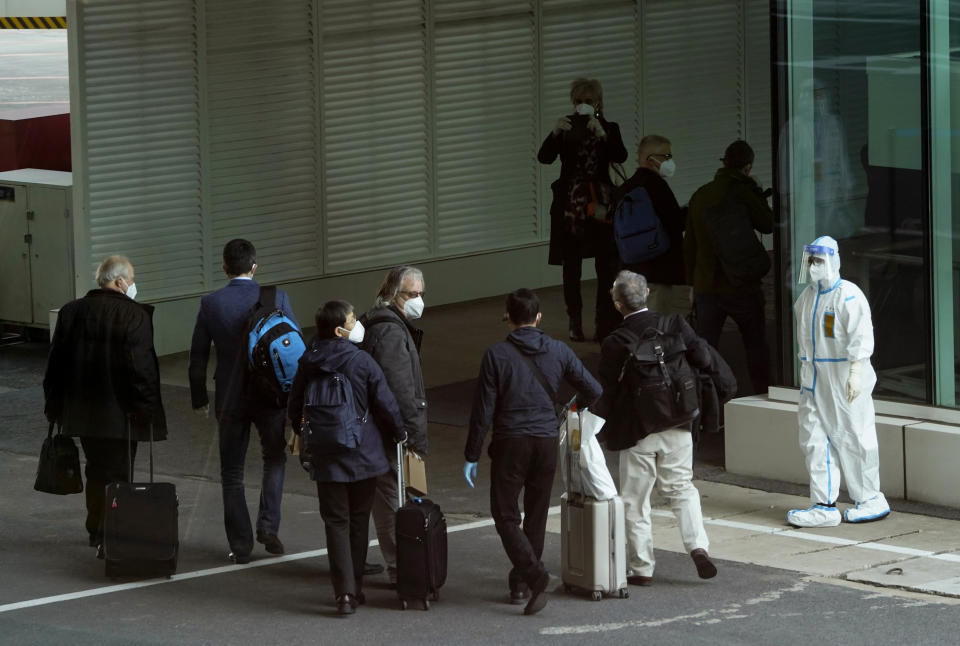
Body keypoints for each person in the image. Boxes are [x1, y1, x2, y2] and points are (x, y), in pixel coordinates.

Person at [463, 288, 601, 616]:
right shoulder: (559, 350)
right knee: (536, 513)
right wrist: (570, 409)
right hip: (545, 440)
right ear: (539, 318)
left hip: (511, 441)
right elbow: (593, 389)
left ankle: (535, 576)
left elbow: (483, 411)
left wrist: (471, 454)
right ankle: (521, 582)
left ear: (508, 318)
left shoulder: (496, 355)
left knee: (505, 514)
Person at [593, 270, 717, 586]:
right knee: (682, 488)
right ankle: (698, 546)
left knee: (635, 499)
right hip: (678, 421)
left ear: (618, 304)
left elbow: (604, 391)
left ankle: (642, 567)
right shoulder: (675, 324)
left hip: (638, 429)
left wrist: (594, 429)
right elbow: (703, 356)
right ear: (647, 293)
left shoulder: (616, 342)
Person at [287, 300, 406, 616]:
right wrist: (400, 433)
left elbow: (294, 404)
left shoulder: (307, 361)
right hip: (363, 453)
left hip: (326, 455)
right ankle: (356, 587)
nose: (358, 324)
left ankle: (344, 594)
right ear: (340, 330)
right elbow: (385, 404)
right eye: (353, 320)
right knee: (358, 520)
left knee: (335, 522)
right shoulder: (361, 361)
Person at [43, 255, 167, 558]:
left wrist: (55, 406)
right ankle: (112, 536)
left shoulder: (71, 312)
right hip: (122, 414)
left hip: (83, 412)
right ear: (121, 281)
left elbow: (55, 365)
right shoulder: (134, 315)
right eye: (132, 279)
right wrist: (147, 411)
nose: (133, 285)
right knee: (121, 474)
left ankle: (95, 528)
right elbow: (142, 370)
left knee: (96, 470)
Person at [188, 239, 299, 563]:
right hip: (271, 395)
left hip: (230, 396)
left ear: (224, 267)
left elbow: (198, 356)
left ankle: (241, 545)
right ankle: (269, 525)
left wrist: (199, 398)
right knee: (274, 458)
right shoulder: (276, 297)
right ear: (254, 267)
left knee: (232, 472)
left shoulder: (211, 303)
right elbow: (292, 348)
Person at [787, 236, 890, 527]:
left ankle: (870, 497)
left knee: (855, 436)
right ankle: (824, 504)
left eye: (819, 261)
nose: (814, 267)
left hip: (844, 378)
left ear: (833, 261)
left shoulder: (849, 296)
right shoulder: (806, 298)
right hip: (814, 379)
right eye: (811, 261)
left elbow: (861, 338)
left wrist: (856, 373)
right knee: (814, 440)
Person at [539, 77, 628, 343]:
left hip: (600, 203)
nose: (582, 106)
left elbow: (620, 156)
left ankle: (604, 321)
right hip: (570, 206)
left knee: (606, 263)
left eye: (588, 101)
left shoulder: (609, 126)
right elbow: (544, 158)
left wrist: (603, 135)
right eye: (578, 101)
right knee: (572, 266)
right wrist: (554, 133)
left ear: (598, 102)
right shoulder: (566, 126)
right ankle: (574, 321)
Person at [685, 139, 774, 394]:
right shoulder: (744, 191)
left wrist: (692, 283)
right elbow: (767, 224)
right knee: (755, 343)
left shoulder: (701, 194)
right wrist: (756, 192)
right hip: (741, 283)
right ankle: (762, 392)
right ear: (747, 167)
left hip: (707, 284)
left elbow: (689, 244)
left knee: (705, 346)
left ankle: (702, 398)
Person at [358, 265, 428, 585]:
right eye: (412, 295)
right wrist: (414, 439)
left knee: (382, 498)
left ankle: (388, 564)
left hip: (375, 429)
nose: (418, 301)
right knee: (390, 501)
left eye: (421, 295)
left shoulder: (379, 322)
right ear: (393, 294)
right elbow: (401, 391)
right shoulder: (390, 332)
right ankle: (401, 569)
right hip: (387, 433)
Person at [609, 134, 690, 315]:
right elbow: (674, 222)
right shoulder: (656, 186)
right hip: (658, 270)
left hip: (631, 269)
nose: (670, 161)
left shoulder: (626, 187)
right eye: (666, 156)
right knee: (656, 327)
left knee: (636, 323)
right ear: (651, 159)